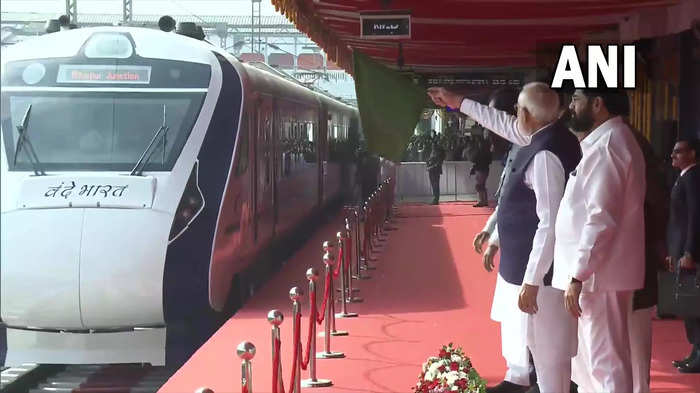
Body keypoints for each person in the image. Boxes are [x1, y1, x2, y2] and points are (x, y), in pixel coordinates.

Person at [429, 82, 582, 393]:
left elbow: (549, 223)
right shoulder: (546, 135)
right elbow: (500, 122)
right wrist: (459, 102)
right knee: (536, 345)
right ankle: (523, 379)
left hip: (544, 275)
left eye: (518, 111)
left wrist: (532, 280)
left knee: (550, 356)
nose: (513, 117)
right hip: (534, 267)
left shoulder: (544, 155)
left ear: (526, 113)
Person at [553, 88, 646, 393]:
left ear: (597, 104)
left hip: (597, 274)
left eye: (577, 99)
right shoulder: (604, 142)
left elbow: (601, 218)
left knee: (605, 362)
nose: (571, 106)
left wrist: (580, 273)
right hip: (596, 273)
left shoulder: (609, 146)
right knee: (593, 360)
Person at [473, 87, 536, 392]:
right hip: (513, 247)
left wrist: (495, 238)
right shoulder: (516, 148)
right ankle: (518, 373)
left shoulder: (533, 148)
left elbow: (534, 210)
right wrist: (492, 234)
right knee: (512, 314)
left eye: (498, 115)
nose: (492, 129)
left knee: (528, 317)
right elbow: (507, 201)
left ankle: (528, 374)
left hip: (529, 249)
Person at [667, 137, 700, 374]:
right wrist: (673, 252)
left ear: (693, 153)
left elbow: (694, 219)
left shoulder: (694, 177)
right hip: (680, 251)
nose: (673, 156)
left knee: (694, 303)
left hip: (691, 254)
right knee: (689, 305)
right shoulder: (684, 177)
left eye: (678, 151)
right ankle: (695, 352)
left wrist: (689, 251)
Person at [470, 136, 492, 207]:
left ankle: (481, 201)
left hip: (480, 169)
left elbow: (473, 159)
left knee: (479, 186)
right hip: (485, 169)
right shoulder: (487, 151)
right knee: (482, 185)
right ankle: (484, 201)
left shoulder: (480, 151)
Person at [426, 134, 445, 205]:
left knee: (436, 185)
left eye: (433, 145)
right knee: (433, 185)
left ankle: (436, 199)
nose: (432, 146)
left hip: (435, 170)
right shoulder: (432, 152)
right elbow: (429, 160)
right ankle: (435, 198)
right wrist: (428, 164)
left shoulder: (439, 152)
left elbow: (439, 162)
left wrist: (431, 166)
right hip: (431, 170)